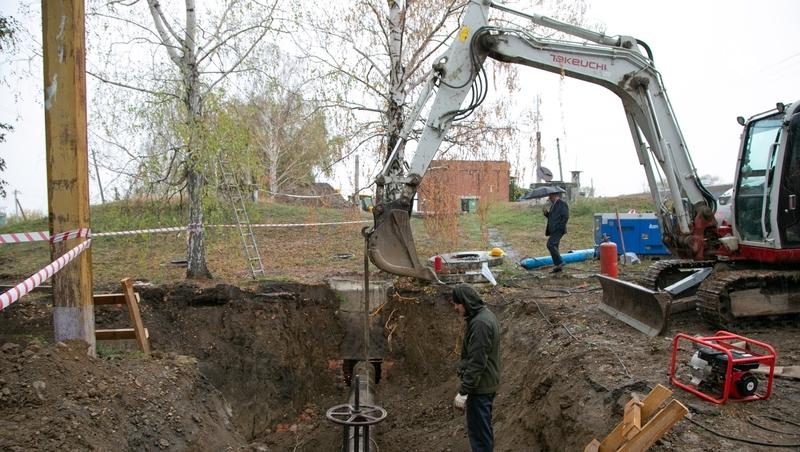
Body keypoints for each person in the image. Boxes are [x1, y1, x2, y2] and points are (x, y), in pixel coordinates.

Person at [451, 283, 500, 452]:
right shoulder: (482, 317)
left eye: (457, 303)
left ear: (466, 302)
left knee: (480, 436)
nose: (455, 307)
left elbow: (477, 362)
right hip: (483, 384)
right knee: (482, 432)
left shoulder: (480, 324)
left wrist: (464, 391)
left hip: (480, 388)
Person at [544, 191, 569, 273]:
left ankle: (561, 262)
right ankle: (558, 267)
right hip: (553, 230)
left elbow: (565, 217)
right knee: (555, 247)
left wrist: (559, 227)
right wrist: (546, 213)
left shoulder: (562, 203)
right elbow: (552, 217)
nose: (549, 199)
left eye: (550, 197)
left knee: (550, 244)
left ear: (554, 196)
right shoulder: (553, 205)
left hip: (558, 229)